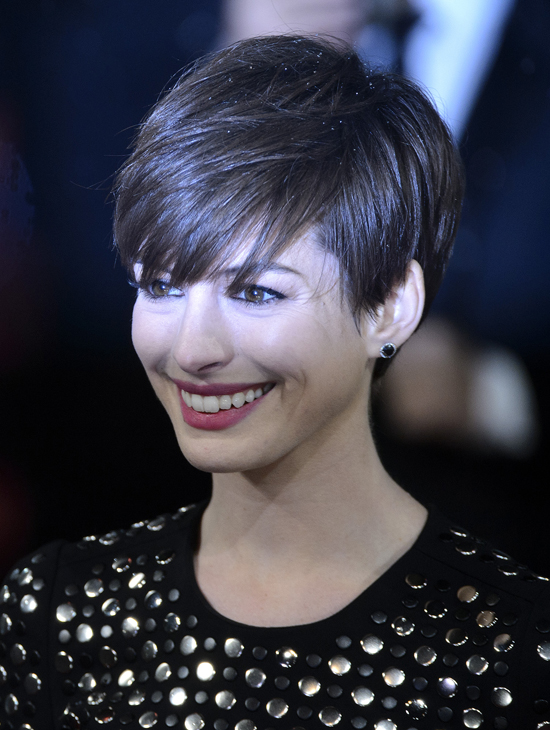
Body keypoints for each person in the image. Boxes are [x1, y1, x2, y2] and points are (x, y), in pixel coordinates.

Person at [1, 35, 549, 729]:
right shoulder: (58, 611)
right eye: (161, 286)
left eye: (257, 293)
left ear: (390, 306)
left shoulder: (513, 650)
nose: (191, 349)